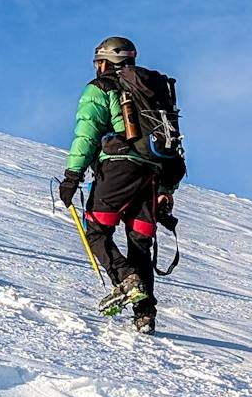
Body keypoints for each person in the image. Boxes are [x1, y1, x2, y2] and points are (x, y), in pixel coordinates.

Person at [57, 36, 186, 331]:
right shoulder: (153, 92)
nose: (96, 68)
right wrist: (167, 191)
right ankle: (145, 314)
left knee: (97, 230)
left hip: (118, 169)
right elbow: (171, 144)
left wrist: (72, 175)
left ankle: (126, 280)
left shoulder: (101, 88)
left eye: (97, 62)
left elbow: (87, 134)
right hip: (153, 172)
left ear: (106, 61)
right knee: (140, 241)